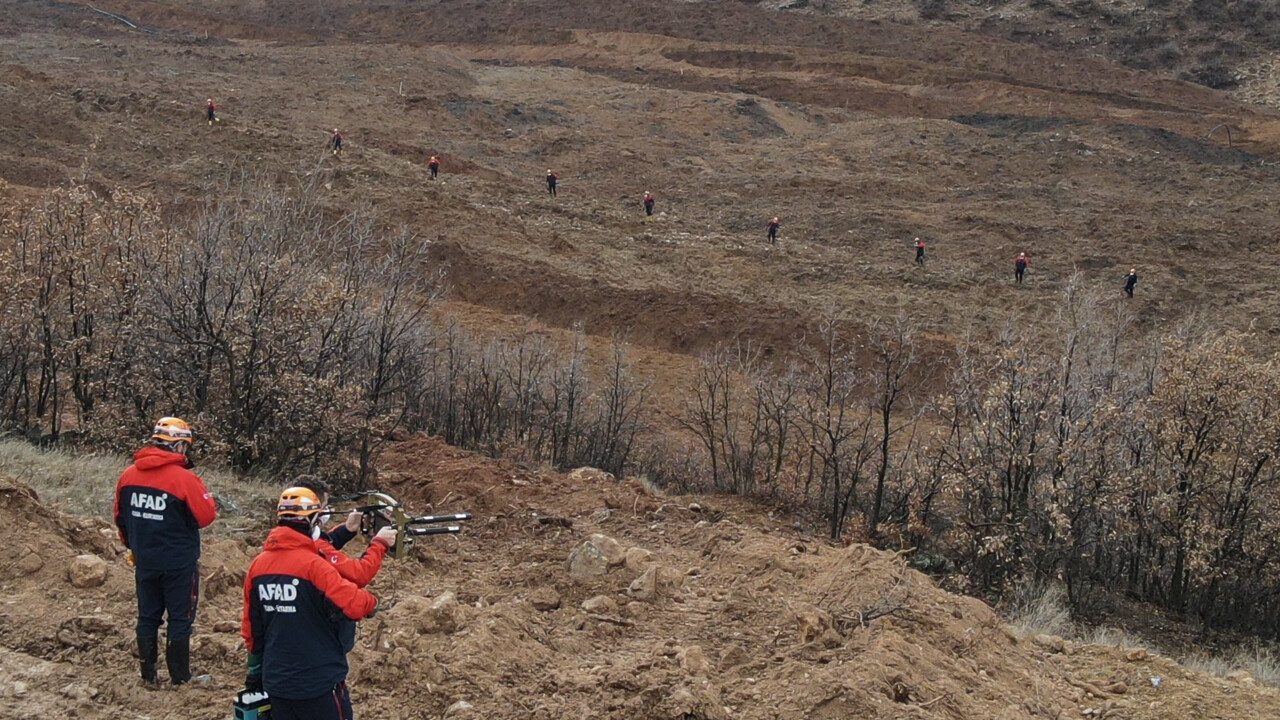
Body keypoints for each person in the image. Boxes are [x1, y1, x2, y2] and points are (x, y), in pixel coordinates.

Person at [242, 487, 388, 720]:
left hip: (277, 683)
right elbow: (354, 603)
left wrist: (254, 674)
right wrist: (373, 602)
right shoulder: (313, 566)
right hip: (319, 682)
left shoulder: (258, 566)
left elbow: (252, 629)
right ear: (311, 520)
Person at [114, 417, 218, 687]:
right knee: (180, 618)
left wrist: (133, 546)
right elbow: (207, 516)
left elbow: (120, 517)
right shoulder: (184, 479)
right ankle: (180, 678)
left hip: (145, 560)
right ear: (180, 446)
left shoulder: (128, 475)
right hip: (179, 562)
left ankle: (148, 677)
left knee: (147, 617)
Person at [295, 479, 397, 587]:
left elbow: (322, 544)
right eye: (324, 506)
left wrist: (346, 530)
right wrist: (380, 543)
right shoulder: (314, 547)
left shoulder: (289, 537)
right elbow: (359, 575)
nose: (328, 510)